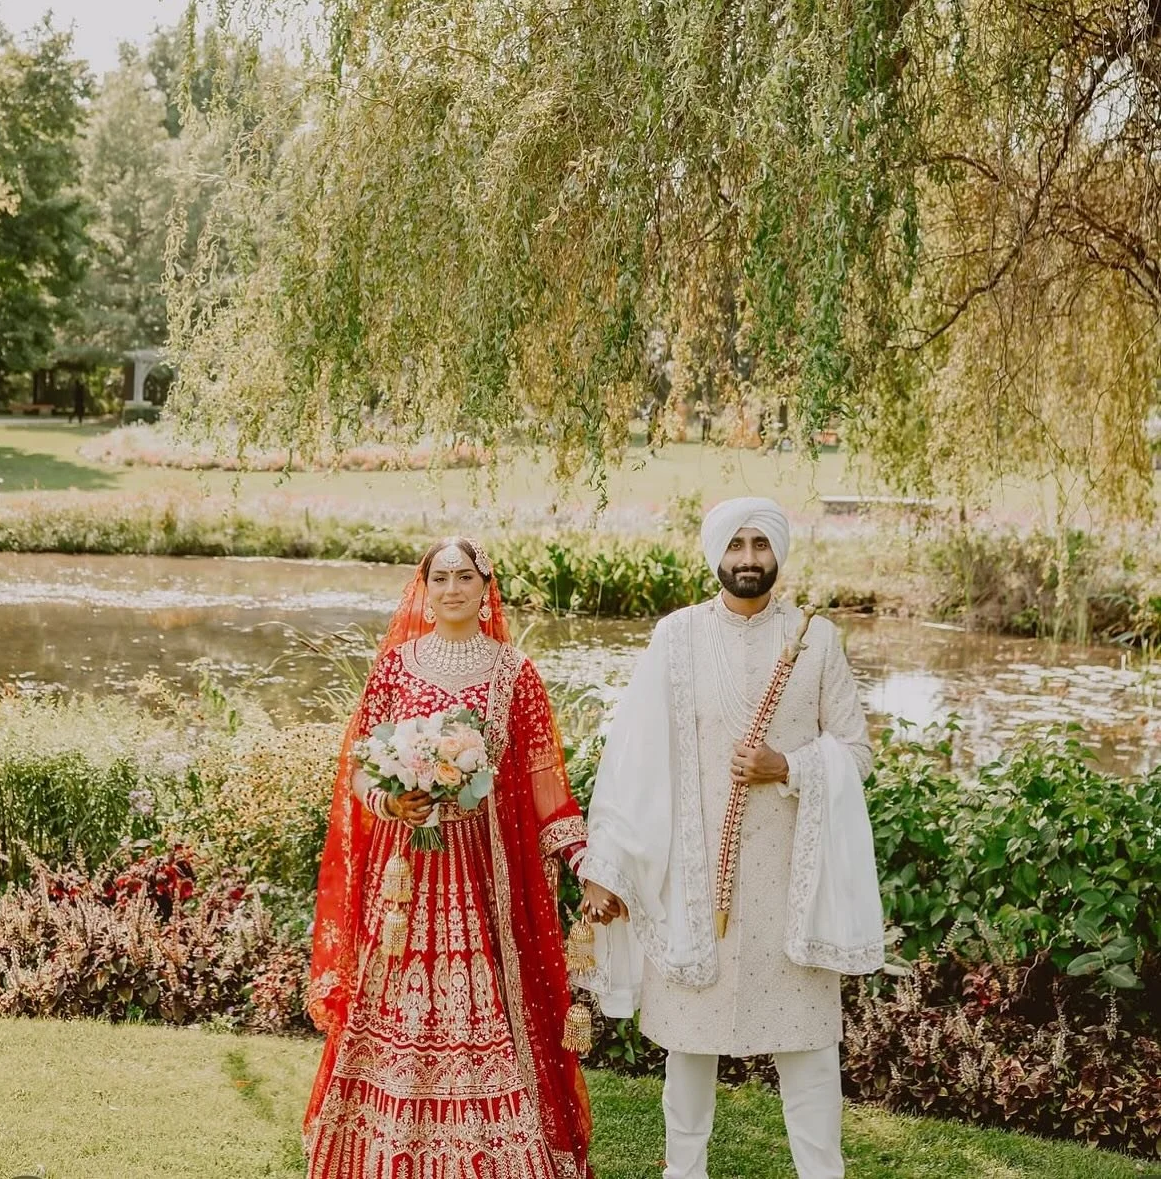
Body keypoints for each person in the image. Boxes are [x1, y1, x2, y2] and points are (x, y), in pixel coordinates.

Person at [578, 498, 884, 1179]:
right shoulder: (677, 636)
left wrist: (792, 766)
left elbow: (856, 752)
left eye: (761, 545)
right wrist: (610, 865)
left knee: (809, 1052)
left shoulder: (817, 639)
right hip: (694, 882)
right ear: (714, 552)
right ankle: (683, 1173)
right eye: (736, 545)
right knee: (689, 1051)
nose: (749, 558)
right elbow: (634, 756)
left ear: (779, 552)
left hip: (791, 886)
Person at [304, 537, 593, 1179]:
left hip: (484, 875)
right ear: (424, 588)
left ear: (487, 587)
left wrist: (583, 859)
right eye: (442, 577)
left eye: (466, 576)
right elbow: (359, 773)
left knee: (482, 1000)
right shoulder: (395, 668)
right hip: (406, 873)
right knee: (394, 999)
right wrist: (392, 803)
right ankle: (377, 1148)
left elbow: (546, 782)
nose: (454, 588)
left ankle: (493, 1154)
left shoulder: (515, 673)